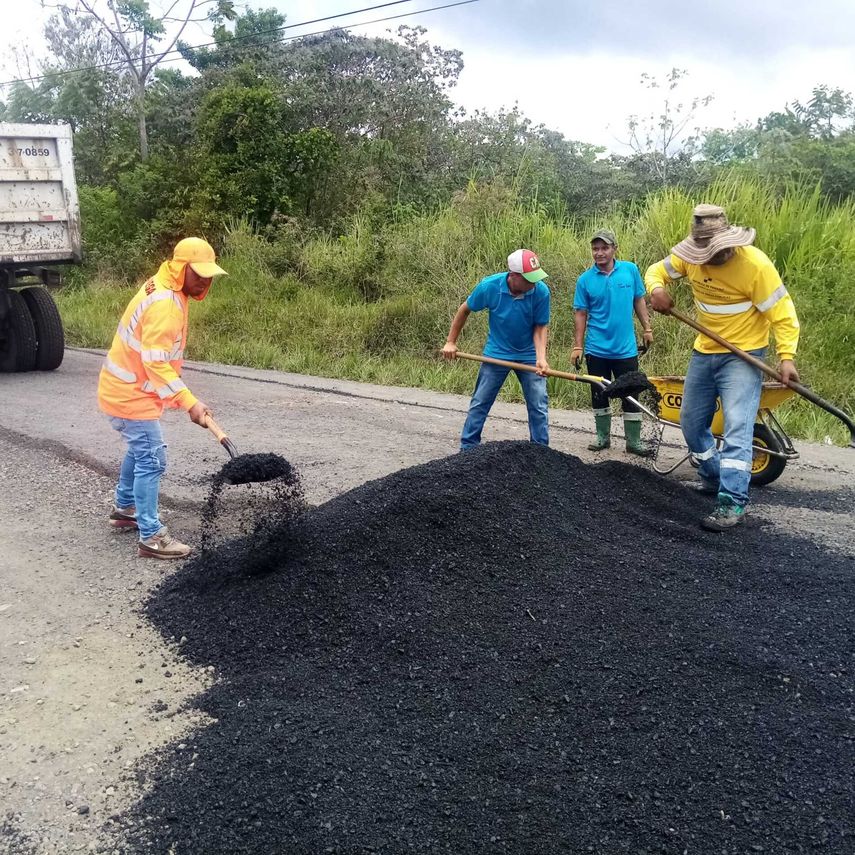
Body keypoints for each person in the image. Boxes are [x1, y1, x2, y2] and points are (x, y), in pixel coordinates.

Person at [645, 204, 800, 532]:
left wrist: (786, 357)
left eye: (717, 250)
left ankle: (732, 500)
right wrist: (657, 290)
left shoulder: (755, 266)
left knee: (736, 428)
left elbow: (782, 314)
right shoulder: (690, 258)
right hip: (704, 351)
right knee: (690, 422)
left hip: (743, 356)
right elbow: (655, 271)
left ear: (730, 242)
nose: (712, 257)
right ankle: (713, 476)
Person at [97, 237, 228, 559]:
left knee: (140, 450)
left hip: (128, 389)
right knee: (152, 457)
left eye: (209, 275)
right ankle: (152, 536)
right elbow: (155, 362)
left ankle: (126, 507)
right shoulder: (166, 304)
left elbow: (157, 361)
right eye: (199, 274)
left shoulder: (166, 285)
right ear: (181, 268)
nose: (205, 281)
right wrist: (189, 402)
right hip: (128, 394)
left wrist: (182, 399)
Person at [442, 249, 551, 450]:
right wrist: (451, 341)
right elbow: (464, 310)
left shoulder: (540, 291)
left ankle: (540, 451)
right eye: (529, 279)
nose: (534, 283)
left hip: (528, 355)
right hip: (497, 352)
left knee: (538, 404)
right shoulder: (489, 287)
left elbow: (540, 327)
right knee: (480, 401)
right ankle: (468, 449)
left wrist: (541, 358)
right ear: (514, 276)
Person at [572, 229, 654, 456]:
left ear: (614, 249)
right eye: (595, 249)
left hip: (625, 349)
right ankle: (602, 437)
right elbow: (580, 313)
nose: (599, 253)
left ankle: (633, 442)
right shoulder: (585, 280)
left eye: (604, 248)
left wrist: (647, 329)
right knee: (599, 392)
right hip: (597, 348)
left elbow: (639, 300)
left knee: (630, 392)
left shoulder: (630, 270)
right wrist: (578, 346)